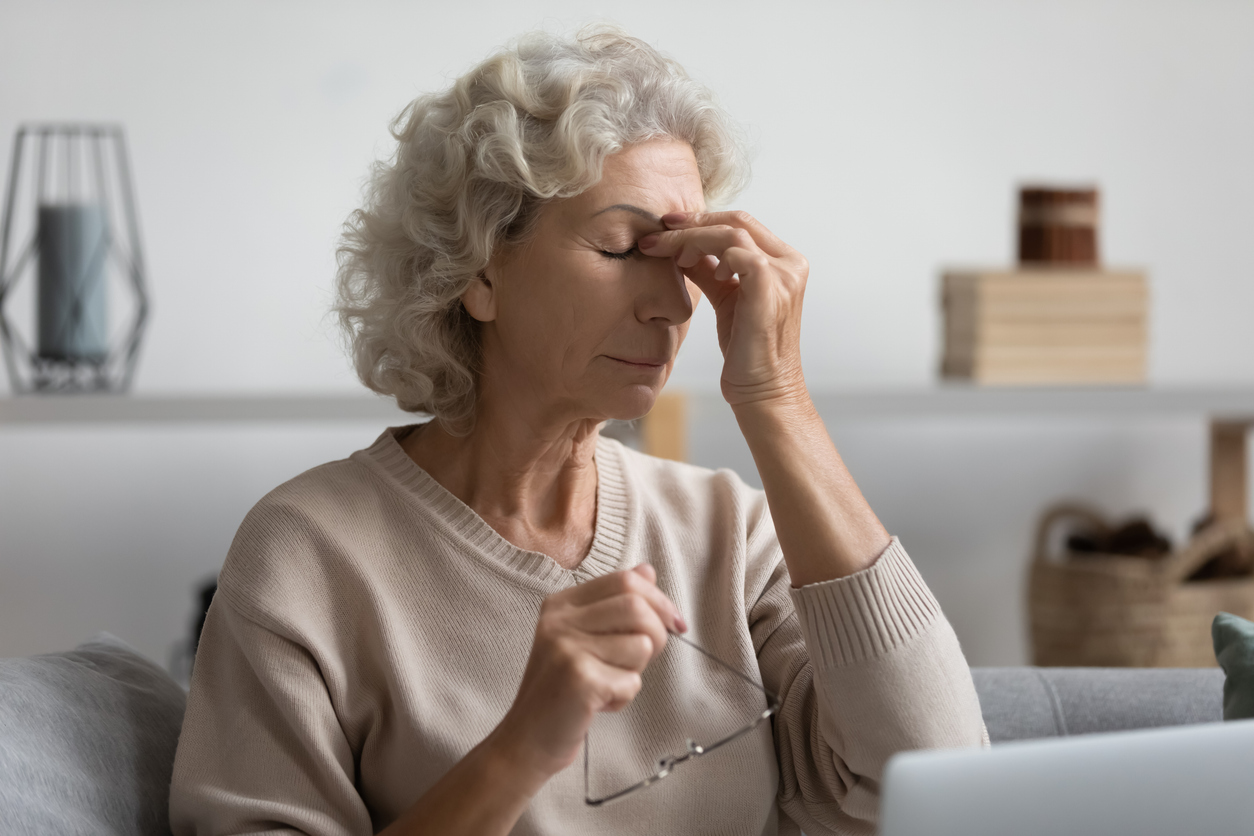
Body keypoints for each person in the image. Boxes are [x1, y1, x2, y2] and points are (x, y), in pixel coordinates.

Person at [169, 27, 988, 836]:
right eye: (625, 246)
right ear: (481, 270)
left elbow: (940, 789)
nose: (673, 305)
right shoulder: (306, 557)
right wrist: (521, 748)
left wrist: (777, 396)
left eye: (683, 259)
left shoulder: (728, 534)